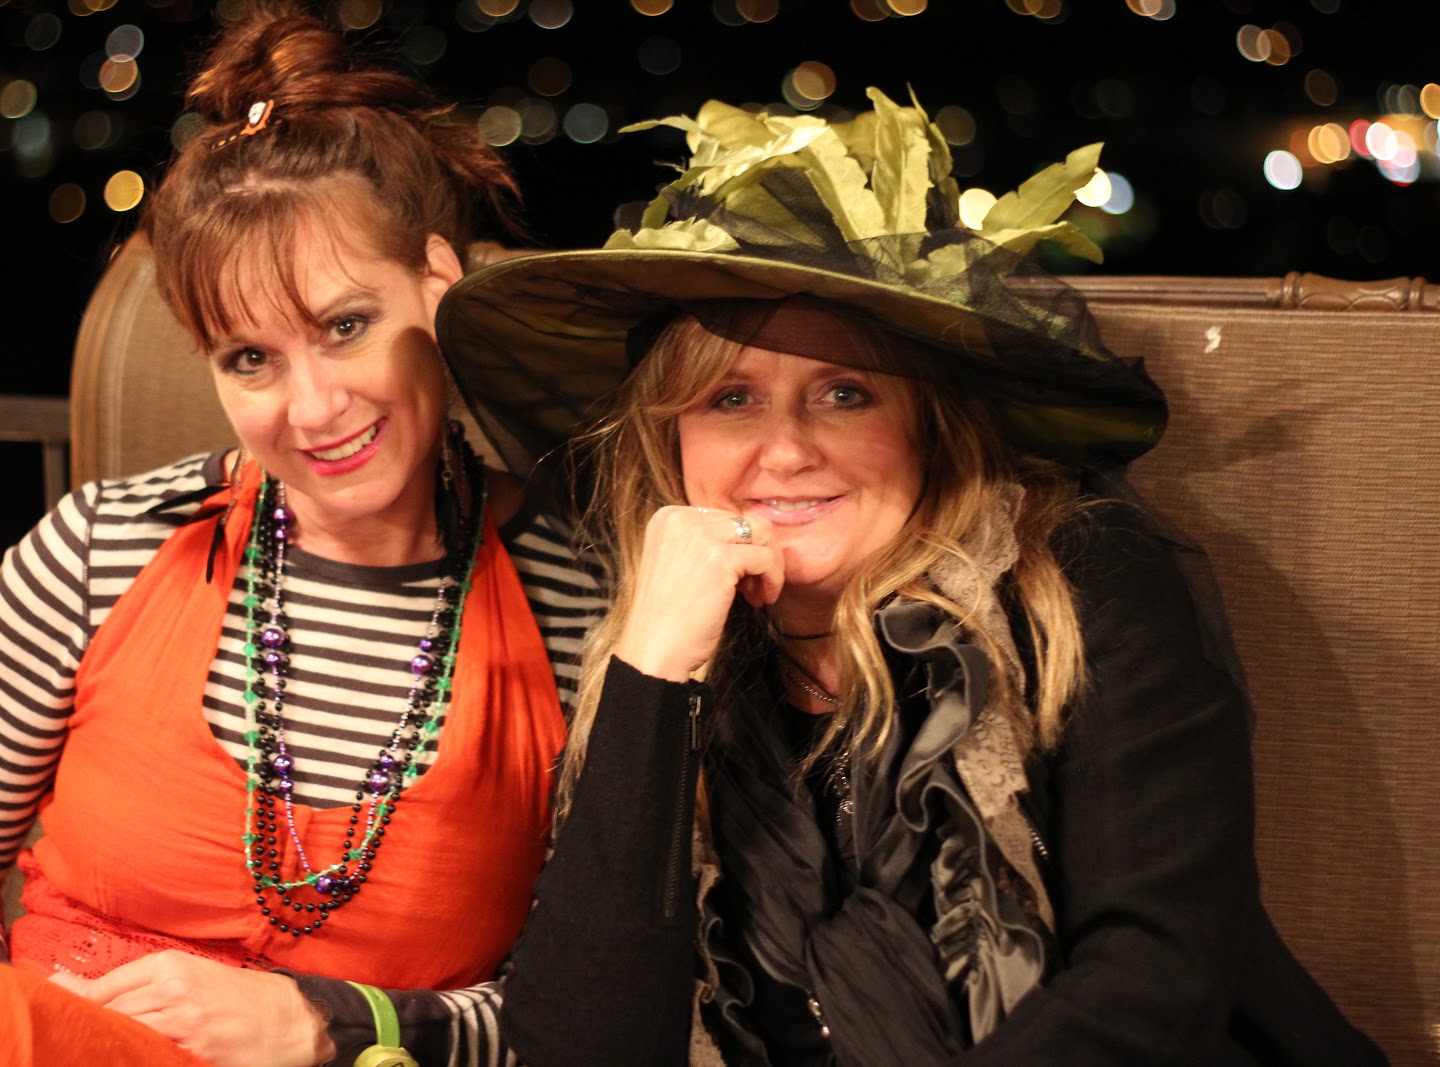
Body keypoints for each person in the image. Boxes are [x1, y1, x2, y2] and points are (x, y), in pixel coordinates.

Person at [435, 91, 1387, 1065]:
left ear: (926, 425)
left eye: (844, 393)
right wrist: (650, 674)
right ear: (670, 437)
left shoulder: (1078, 581)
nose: (784, 450)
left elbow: (1150, 982)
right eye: (731, 398)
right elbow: (579, 1042)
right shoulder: (666, 640)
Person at [0, 6, 602, 1066]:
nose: (314, 407)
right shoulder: (103, 547)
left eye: (346, 326)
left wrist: (328, 1021)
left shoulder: (577, 606)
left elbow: (586, 1003)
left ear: (440, 285)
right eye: (251, 358)